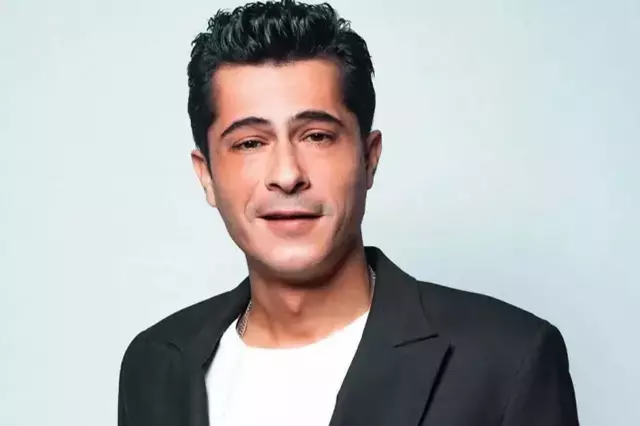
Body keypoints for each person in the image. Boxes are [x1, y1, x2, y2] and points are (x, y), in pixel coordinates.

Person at [117, 1, 580, 425]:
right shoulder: (155, 364)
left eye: (317, 136)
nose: (287, 174)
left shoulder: (507, 357)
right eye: (250, 143)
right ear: (207, 176)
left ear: (368, 157)